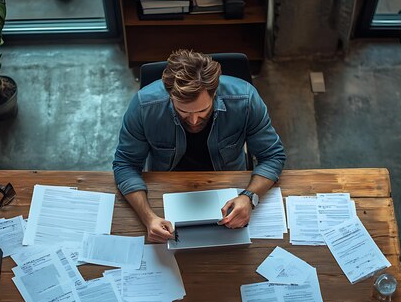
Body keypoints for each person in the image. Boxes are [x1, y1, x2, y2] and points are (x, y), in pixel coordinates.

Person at [113, 49, 286, 243]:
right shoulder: (144, 106)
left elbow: (272, 156)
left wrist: (249, 197)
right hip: (166, 189)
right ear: (170, 96)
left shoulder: (245, 99)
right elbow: (125, 164)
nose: (194, 121)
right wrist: (148, 218)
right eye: (183, 112)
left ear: (214, 93)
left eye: (203, 110)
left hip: (230, 188)